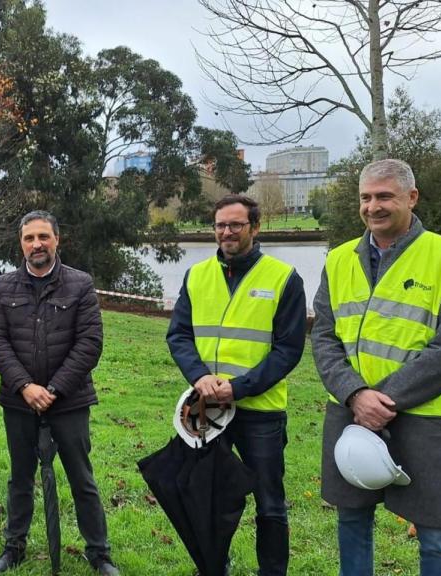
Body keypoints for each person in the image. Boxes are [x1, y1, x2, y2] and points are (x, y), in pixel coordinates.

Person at [312, 159, 441, 576]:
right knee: (351, 520)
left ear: (411, 197)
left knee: (437, 536)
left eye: (384, 196)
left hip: (424, 416)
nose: (373, 207)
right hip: (350, 411)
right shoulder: (338, 261)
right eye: (365, 197)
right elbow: (324, 338)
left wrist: (381, 399)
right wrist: (355, 394)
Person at [166, 194, 306, 575]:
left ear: (255, 228)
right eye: (220, 225)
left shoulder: (284, 278)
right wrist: (199, 377)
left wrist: (239, 387)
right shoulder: (196, 275)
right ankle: (214, 567)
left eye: (235, 225)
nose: (226, 232)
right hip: (208, 408)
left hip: (260, 412)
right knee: (207, 497)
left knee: (270, 502)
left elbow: (288, 349)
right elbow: (178, 335)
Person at [0, 210, 119, 575]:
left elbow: (90, 343)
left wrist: (55, 389)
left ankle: (99, 553)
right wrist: (26, 387)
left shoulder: (80, 284)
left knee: (82, 479)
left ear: (57, 240)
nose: (36, 244)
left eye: (43, 236)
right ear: (21, 244)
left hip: (70, 402)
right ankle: (14, 547)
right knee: (20, 478)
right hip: (19, 401)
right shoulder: (3, 287)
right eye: (29, 238)